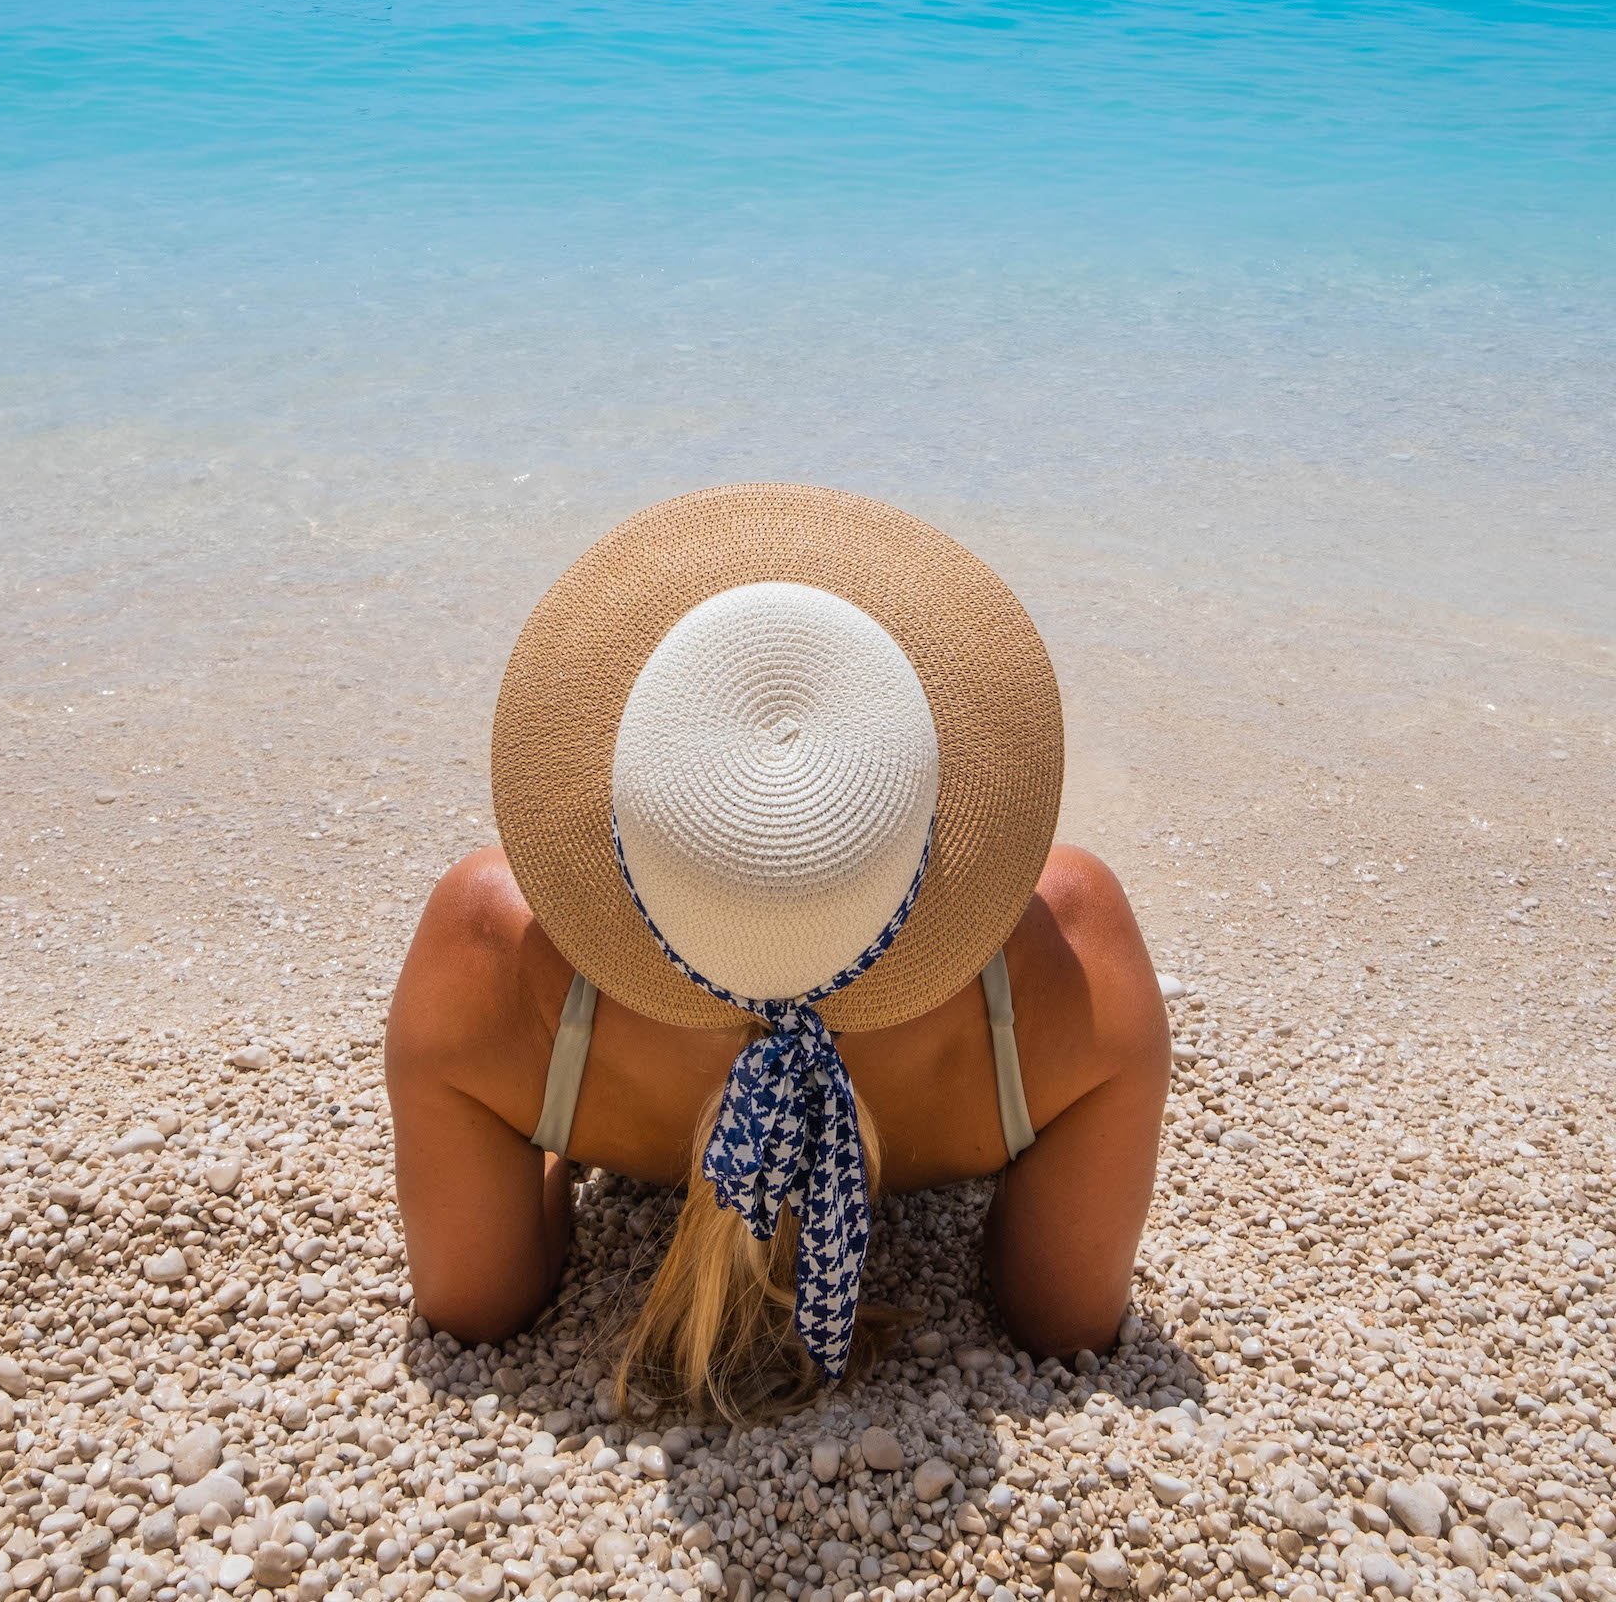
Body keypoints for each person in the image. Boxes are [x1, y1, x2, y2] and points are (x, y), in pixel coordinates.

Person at [387, 483, 1170, 1419]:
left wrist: (572, 1135)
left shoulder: (485, 957)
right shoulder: (1069, 961)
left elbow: (474, 1306)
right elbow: (1063, 1321)